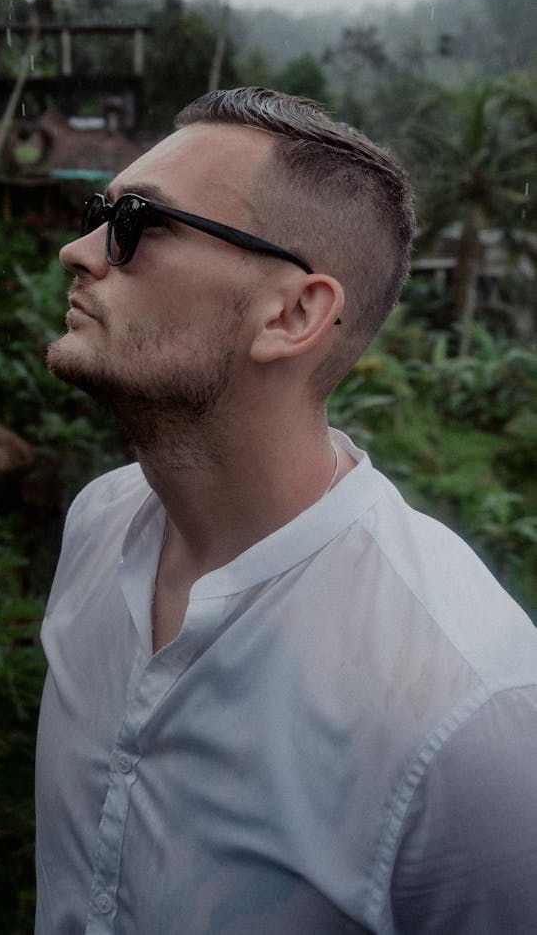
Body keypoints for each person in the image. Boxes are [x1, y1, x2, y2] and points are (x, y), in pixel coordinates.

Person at [35, 87, 537, 934]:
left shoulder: (469, 714)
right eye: (98, 213)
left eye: (139, 224)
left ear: (294, 313)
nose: (78, 252)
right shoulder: (97, 525)